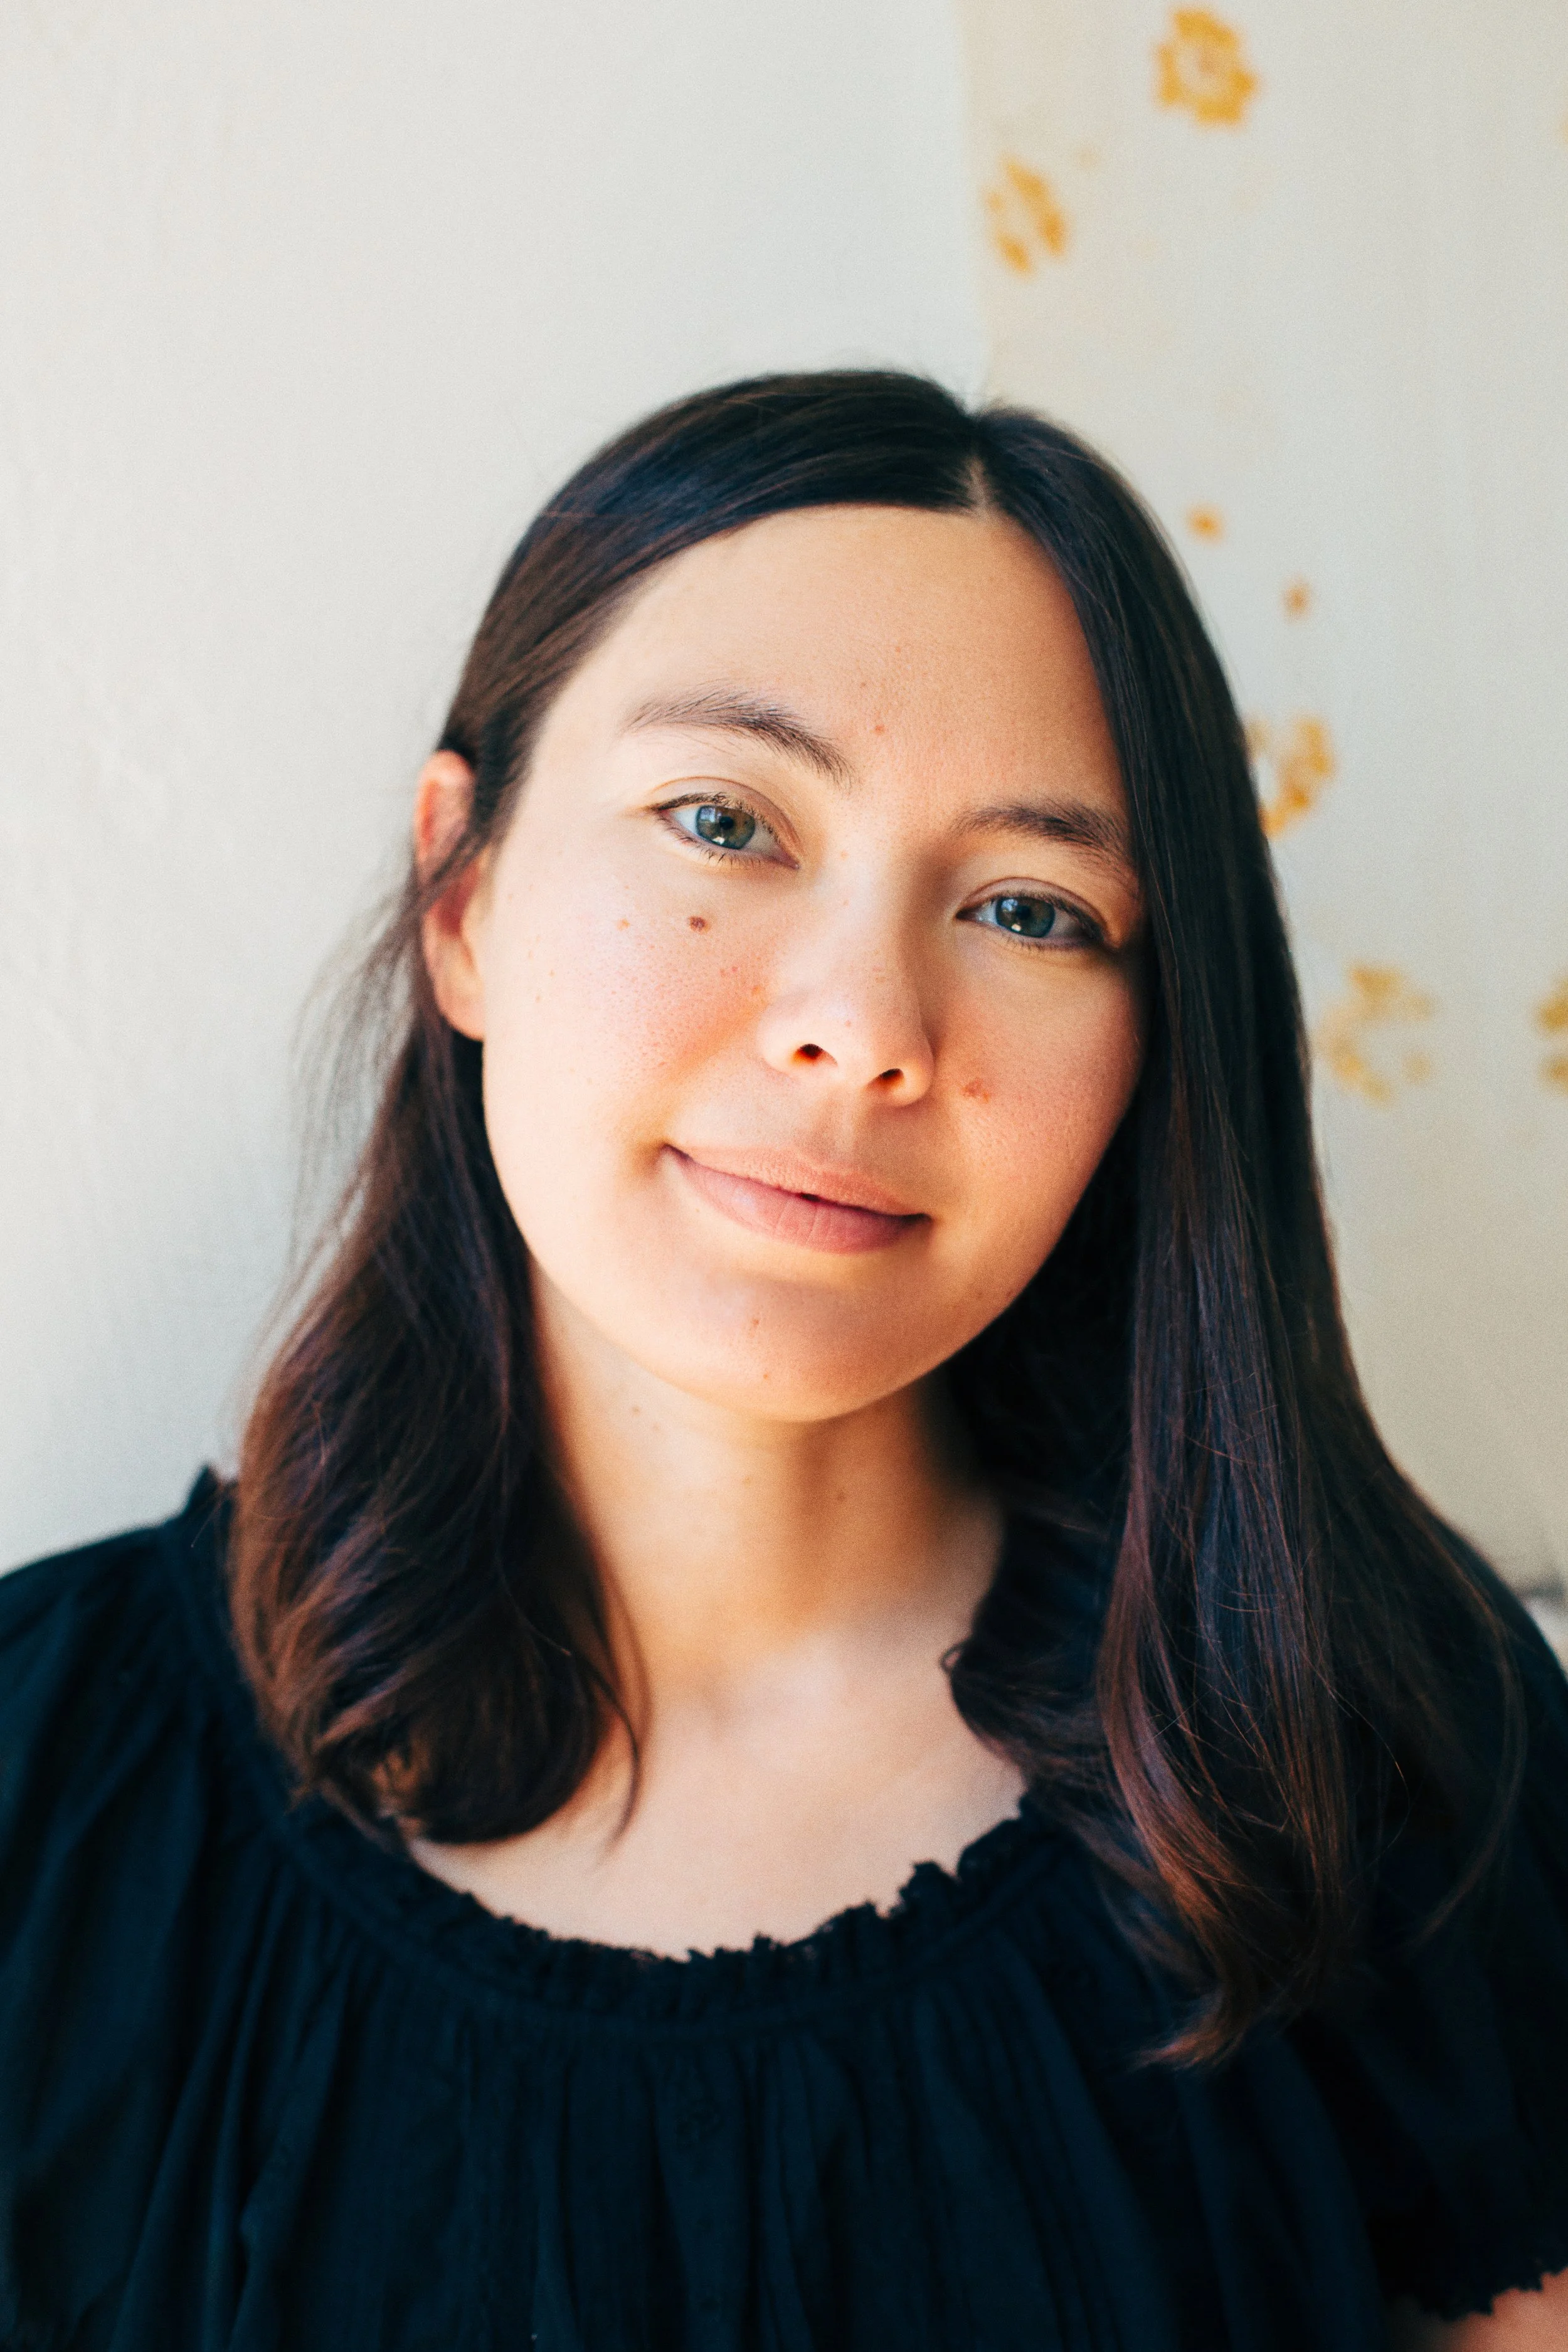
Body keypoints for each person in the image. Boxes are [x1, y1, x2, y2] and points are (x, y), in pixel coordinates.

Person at [2, 372, 1565, 2352]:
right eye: (726, 821)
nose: (862, 1024)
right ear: (461, 893)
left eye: (1029, 907)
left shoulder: (1378, 1750)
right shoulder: (48, 1794)